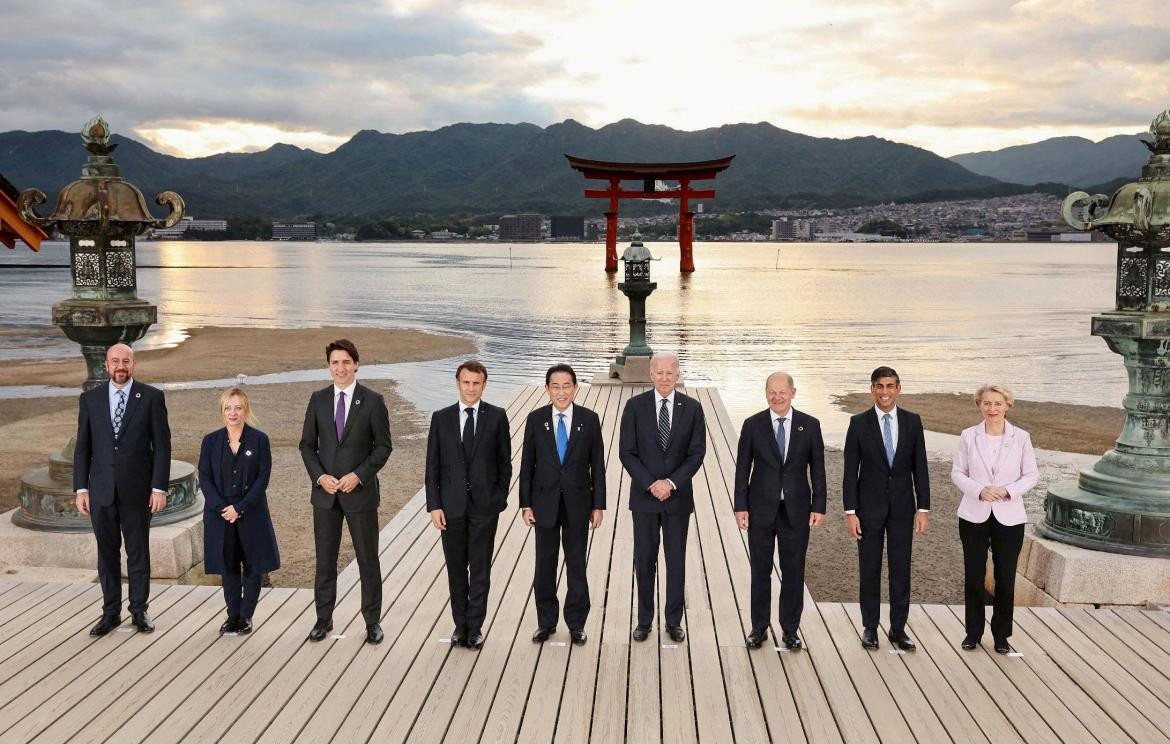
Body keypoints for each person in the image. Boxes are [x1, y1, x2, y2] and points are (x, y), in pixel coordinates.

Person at [74, 343, 171, 636]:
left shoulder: (152, 397)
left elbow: (163, 447)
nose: (120, 366)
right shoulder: (89, 400)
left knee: (138, 553)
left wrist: (159, 488)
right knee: (107, 554)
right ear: (106, 365)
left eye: (125, 361)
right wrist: (81, 488)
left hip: (138, 492)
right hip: (100, 492)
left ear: (134, 364)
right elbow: (83, 448)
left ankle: (139, 611)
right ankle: (110, 612)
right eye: (115, 361)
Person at [299, 339, 392, 645]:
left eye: (345, 362)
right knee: (325, 561)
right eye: (334, 363)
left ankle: (372, 621)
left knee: (368, 560)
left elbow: (383, 447)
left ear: (356, 364)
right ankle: (323, 620)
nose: (340, 368)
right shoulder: (318, 399)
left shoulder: (373, 401)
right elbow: (307, 446)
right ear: (329, 366)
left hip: (359, 494)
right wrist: (320, 476)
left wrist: (359, 475)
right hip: (325, 496)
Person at [734, 372, 826, 651]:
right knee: (760, 571)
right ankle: (759, 628)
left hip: (796, 510)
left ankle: (790, 630)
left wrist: (819, 506)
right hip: (760, 508)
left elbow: (818, 471)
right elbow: (742, 470)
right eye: (771, 392)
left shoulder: (810, 425)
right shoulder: (752, 425)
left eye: (782, 392)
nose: (777, 397)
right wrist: (741, 506)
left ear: (793, 392)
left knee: (793, 571)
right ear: (765, 393)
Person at [619, 351, 706, 643]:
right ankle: (644, 621)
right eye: (660, 372)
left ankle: (673, 621)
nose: (665, 378)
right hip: (644, 499)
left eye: (671, 373)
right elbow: (626, 452)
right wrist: (651, 483)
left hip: (677, 498)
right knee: (644, 561)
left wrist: (670, 483)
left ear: (678, 375)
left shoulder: (693, 409)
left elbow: (696, 454)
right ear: (651, 374)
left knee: (676, 561)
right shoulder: (634, 407)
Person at [426, 360, 512, 650]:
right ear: (458, 383)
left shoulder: (497, 417)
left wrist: (499, 499)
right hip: (450, 508)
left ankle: (475, 627)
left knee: (480, 569)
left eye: (477, 383)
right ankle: (459, 626)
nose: (471, 388)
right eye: (466, 382)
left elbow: (504, 463)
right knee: (455, 569)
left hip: (485, 507)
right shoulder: (441, 418)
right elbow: (432, 467)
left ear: (484, 385)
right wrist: (434, 505)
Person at [842, 366, 930, 651]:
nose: (885, 392)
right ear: (872, 389)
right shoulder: (858, 423)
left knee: (900, 569)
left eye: (890, 386)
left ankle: (898, 628)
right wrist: (850, 512)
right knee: (869, 569)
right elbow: (849, 472)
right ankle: (870, 628)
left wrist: (924, 509)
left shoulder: (913, 422)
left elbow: (921, 469)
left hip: (904, 508)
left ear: (898, 389)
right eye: (879, 386)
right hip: (868, 509)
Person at [520, 364, 606, 646]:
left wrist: (598, 505)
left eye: (566, 386)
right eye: (555, 386)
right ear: (547, 389)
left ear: (575, 387)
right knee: (544, 565)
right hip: (543, 504)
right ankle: (546, 622)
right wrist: (525, 504)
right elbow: (527, 466)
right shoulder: (535, 420)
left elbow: (598, 467)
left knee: (576, 565)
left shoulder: (589, 420)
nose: (561, 392)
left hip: (578, 504)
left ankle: (577, 623)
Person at [951, 384, 1037, 654]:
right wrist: (979, 490)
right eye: (986, 403)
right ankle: (972, 633)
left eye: (998, 403)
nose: (992, 409)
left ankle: (1001, 635)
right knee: (974, 576)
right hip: (974, 514)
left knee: (1005, 577)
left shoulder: (1022, 437)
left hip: (1009, 517)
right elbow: (957, 473)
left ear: (1008, 406)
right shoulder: (968, 436)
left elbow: (1031, 475)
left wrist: (1008, 491)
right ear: (979, 405)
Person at [199, 387, 280, 634]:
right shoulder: (210, 441)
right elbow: (204, 477)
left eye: (238, 408)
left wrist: (240, 508)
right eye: (228, 408)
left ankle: (246, 616)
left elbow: (262, 479)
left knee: (254, 565)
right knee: (228, 566)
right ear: (222, 411)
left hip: (251, 513)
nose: (232, 413)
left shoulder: (259, 440)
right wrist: (224, 508)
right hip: (220, 515)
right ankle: (232, 615)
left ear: (246, 410)